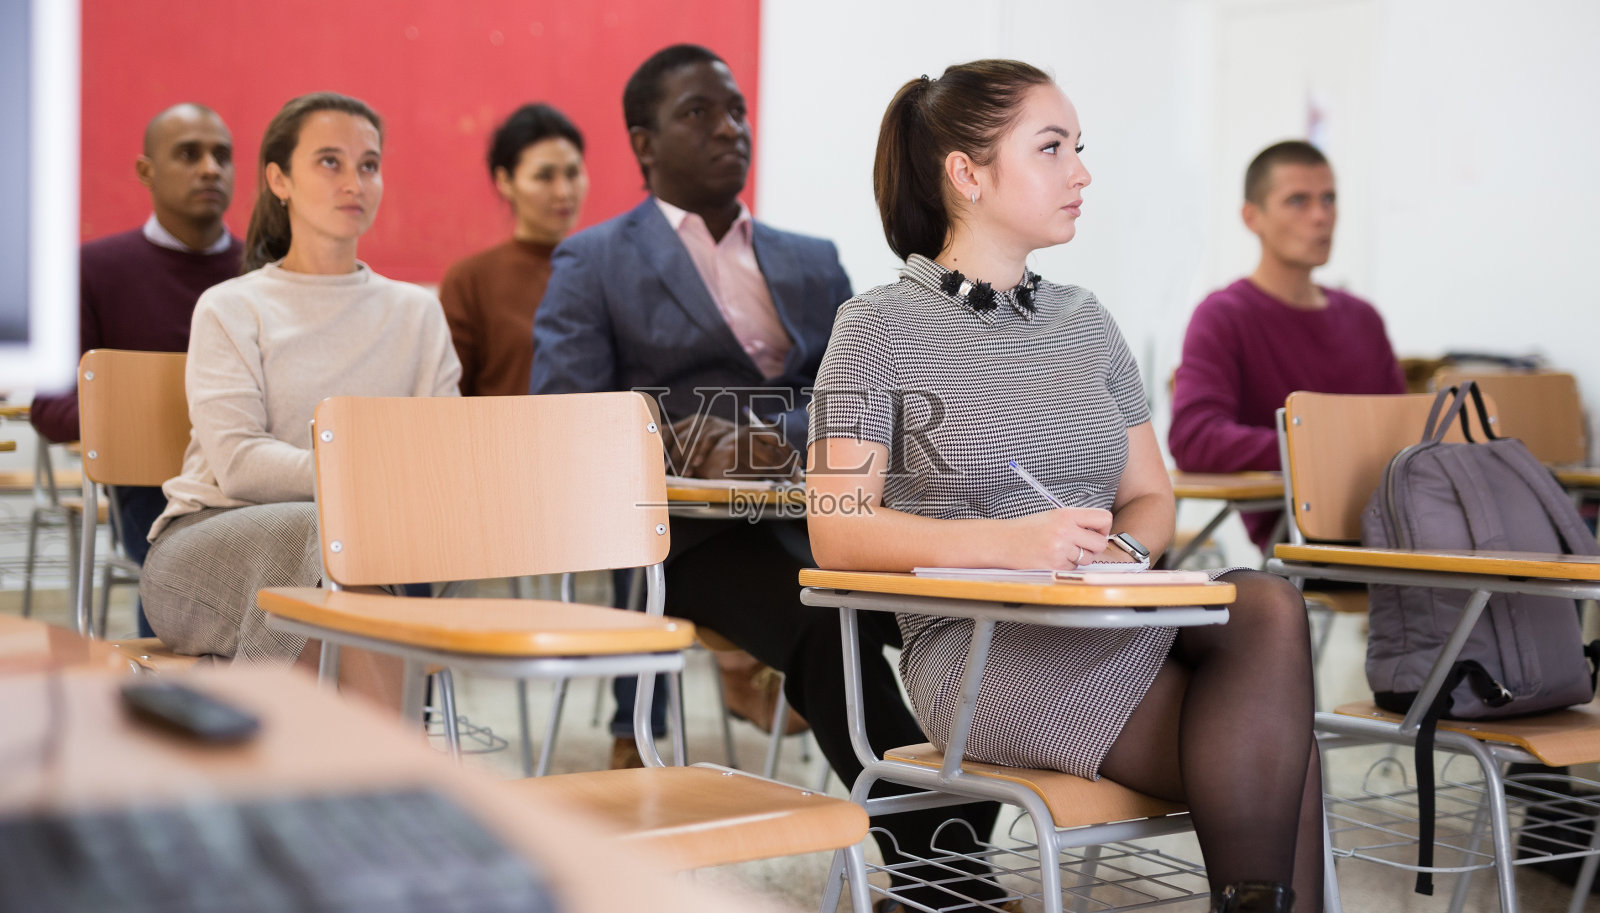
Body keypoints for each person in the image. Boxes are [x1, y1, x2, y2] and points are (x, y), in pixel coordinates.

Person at [807, 61, 1322, 912]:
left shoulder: (1087, 318)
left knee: (1266, 604)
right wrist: (1012, 546)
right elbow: (836, 528)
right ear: (966, 175)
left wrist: (1118, 553)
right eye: (1051, 148)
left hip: (1110, 615)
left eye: (1079, 148)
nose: (1080, 171)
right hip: (982, 650)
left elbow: (1153, 496)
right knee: (1277, 747)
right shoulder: (877, 329)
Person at [530, 44, 1000, 911]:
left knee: (977, 617)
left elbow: (871, 396)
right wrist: (678, 438)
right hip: (688, 535)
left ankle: (981, 822)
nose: (728, 128)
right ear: (643, 143)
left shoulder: (810, 259)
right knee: (833, 629)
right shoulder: (593, 262)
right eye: (697, 113)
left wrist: (761, 435)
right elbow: (565, 417)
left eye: (736, 110)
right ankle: (945, 869)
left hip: (832, 505)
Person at [139, 92, 460, 702]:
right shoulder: (233, 307)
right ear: (278, 179)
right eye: (330, 162)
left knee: (337, 570)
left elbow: (434, 462)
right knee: (329, 544)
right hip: (207, 548)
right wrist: (364, 481)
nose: (354, 182)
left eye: (369, 164)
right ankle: (384, 780)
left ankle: (315, 781)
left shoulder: (417, 314)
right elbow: (237, 462)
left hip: (361, 558)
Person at [30, 103, 242, 637]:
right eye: (189, 154)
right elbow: (50, 406)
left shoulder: (267, 270)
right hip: (156, 490)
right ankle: (181, 701)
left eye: (222, 155)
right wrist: (154, 422)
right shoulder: (93, 269)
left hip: (254, 481)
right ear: (146, 170)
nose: (210, 169)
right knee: (187, 546)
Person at [1168, 140, 1404, 550]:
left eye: (1328, 199)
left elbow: (1403, 433)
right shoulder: (1223, 316)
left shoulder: (1363, 318)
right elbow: (1194, 439)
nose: (1320, 216)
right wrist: (1325, 448)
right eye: (1298, 200)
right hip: (1306, 539)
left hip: (1398, 525)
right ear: (1252, 217)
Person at [440, 103, 588, 397]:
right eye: (544, 176)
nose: (564, 191)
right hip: (502, 440)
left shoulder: (606, 269)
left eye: (572, 173)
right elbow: (450, 399)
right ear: (505, 181)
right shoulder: (472, 281)